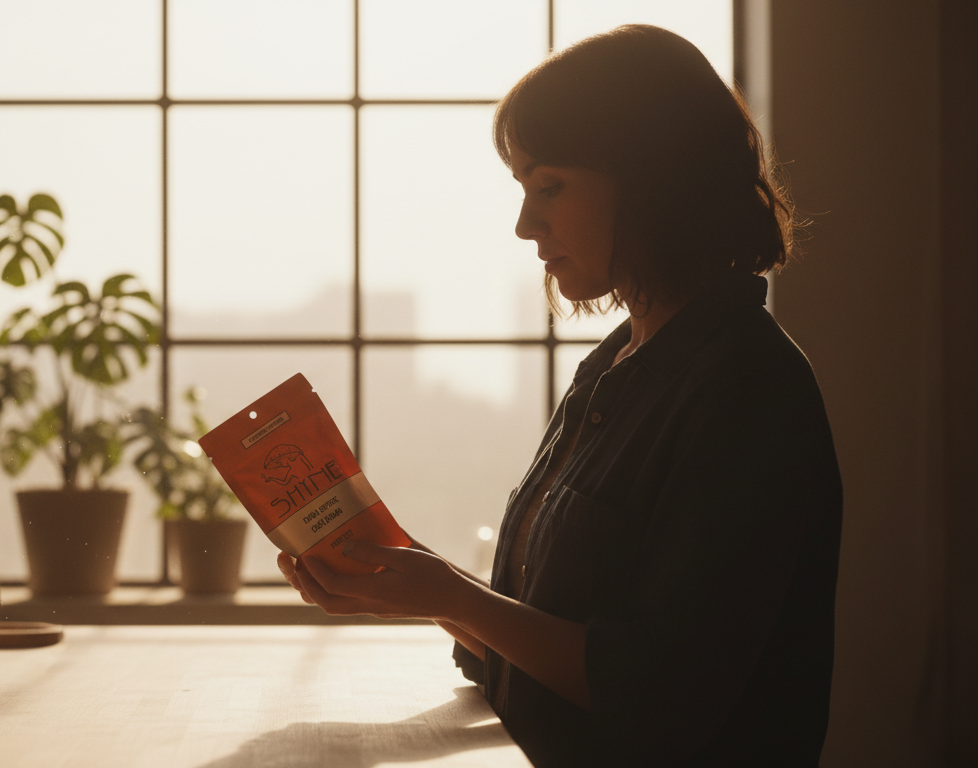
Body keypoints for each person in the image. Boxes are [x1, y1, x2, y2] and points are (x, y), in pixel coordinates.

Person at [277, 24, 842, 768]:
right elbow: (558, 650)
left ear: (652, 179)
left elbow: (661, 693)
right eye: (523, 189)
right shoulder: (615, 369)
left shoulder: (745, 391)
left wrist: (451, 592)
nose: (524, 225)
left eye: (550, 187)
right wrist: (415, 584)